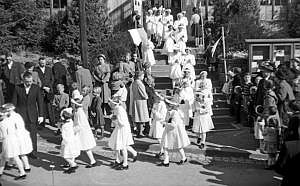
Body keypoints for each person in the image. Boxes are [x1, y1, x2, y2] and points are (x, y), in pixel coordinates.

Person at [12, 71, 44, 159]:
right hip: (20, 115)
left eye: (30, 81)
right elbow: (14, 102)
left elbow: (40, 102)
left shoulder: (36, 88)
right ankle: (22, 152)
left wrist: (41, 115)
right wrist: (13, 115)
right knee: (21, 135)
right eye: (27, 82)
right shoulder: (17, 88)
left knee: (33, 135)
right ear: (23, 80)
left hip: (32, 115)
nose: (29, 83)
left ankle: (33, 152)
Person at [108, 97, 138, 170]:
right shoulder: (116, 109)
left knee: (123, 146)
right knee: (115, 144)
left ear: (114, 104)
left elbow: (122, 123)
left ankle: (125, 164)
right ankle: (118, 160)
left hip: (123, 129)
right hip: (119, 128)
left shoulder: (119, 110)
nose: (110, 104)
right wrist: (113, 118)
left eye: (111, 103)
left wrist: (113, 118)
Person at [158, 98, 190, 167]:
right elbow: (167, 119)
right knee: (165, 145)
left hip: (174, 132)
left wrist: (165, 123)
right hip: (168, 131)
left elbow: (173, 124)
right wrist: (165, 122)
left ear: (170, 106)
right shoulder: (169, 112)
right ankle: (166, 161)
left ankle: (184, 158)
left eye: (167, 106)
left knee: (178, 145)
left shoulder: (175, 113)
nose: (166, 107)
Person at [3, 103, 33, 173]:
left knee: (20, 152)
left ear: (10, 110)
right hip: (18, 135)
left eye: (6, 110)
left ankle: (27, 166)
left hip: (18, 136)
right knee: (15, 152)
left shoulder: (14, 117)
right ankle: (12, 164)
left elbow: (16, 127)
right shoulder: (13, 116)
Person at [71, 90, 97, 168]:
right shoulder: (77, 112)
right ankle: (72, 162)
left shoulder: (79, 113)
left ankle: (92, 161)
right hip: (80, 132)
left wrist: (73, 130)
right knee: (76, 147)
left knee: (85, 147)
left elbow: (80, 124)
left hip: (81, 132)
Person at [0, 107, 27, 180]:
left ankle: (22, 173)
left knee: (14, 157)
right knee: (4, 157)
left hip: (8, 141)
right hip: (13, 140)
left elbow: (3, 135)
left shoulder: (3, 123)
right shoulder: (9, 120)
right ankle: (0, 172)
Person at [34, 57, 54, 127]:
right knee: (41, 107)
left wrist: (49, 87)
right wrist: (43, 87)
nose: (42, 64)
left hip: (49, 90)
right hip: (40, 90)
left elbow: (52, 79)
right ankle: (42, 123)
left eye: (44, 62)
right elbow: (35, 81)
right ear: (39, 62)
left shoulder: (49, 69)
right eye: (41, 63)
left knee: (50, 107)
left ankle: (52, 122)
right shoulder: (35, 70)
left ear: (45, 62)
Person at [60, 108, 80, 174]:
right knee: (72, 154)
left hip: (67, 141)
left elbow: (63, 134)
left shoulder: (64, 126)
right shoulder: (71, 122)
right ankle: (71, 166)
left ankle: (73, 164)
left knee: (65, 155)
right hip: (73, 140)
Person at [130, 71, 149, 138]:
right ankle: (140, 132)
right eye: (142, 76)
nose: (143, 77)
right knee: (141, 116)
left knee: (138, 117)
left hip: (136, 100)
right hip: (141, 101)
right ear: (140, 76)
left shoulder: (134, 83)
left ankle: (138, 131)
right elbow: (143, 94)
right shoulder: (139, 83)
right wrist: (147, 97)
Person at [149, 92, 167, 157]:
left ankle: (163, 151)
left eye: (156, 97)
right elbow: (152, 112)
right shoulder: (155, 104)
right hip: (155, 122)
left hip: (160, 123)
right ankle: (162, 150)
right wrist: (151, 117)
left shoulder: (163, 105)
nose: (155, 98)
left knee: (160, 138)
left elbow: (162, 116)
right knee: (159, 138)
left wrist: (155, 113)